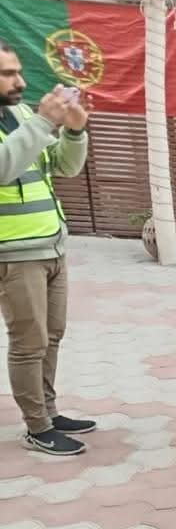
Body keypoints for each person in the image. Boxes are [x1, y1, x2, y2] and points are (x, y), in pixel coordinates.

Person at [0, 45, 93, 456]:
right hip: (14, 254)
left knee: (51, 336)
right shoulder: (31, 119)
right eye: (7, 74)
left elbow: (61, 165)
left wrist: (73, 132)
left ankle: (49, 412)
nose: (19, 81)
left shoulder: (19, 115)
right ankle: (36, 427)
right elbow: (5, 167)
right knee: (28, 343)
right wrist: (42, 121)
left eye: (17, 71)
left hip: (51, 244)